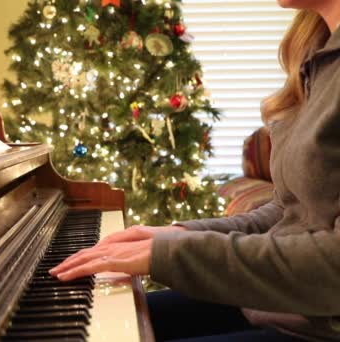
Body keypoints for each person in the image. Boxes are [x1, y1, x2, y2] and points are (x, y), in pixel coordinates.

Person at [50, 1, 340, 341]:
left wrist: (172, 255)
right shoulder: (318, 53)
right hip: (284, 305)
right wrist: (180, 233)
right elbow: (290, 212)